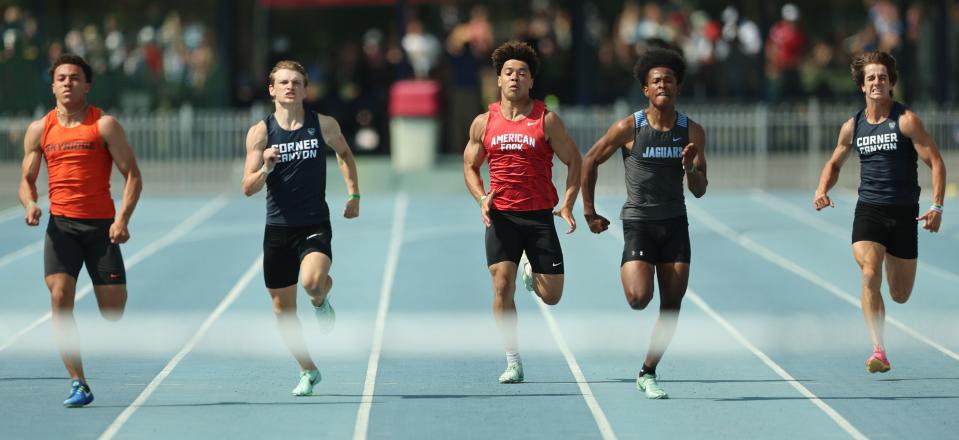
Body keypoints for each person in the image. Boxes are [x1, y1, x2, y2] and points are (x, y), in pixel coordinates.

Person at [581, 48, 708, 399]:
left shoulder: (691, 131)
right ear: (646, 90)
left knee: (672, 305)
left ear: (678, 88)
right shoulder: (629, 127)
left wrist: (691, 166)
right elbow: (589, 160)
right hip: (639, 223)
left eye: (669, 80)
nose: (663, 85)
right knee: (639, 298)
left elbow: (699, 190)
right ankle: (634, 268)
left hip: (675, 225)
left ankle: (648, 371)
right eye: (656, 81)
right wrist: (589, 210)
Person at [19, 53, 143, 407]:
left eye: (75, 77)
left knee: (113, 309)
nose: (68, 83)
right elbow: (26, 180)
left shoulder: (104, 125)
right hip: (61, 227)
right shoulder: (39, 129)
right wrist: (30, 204)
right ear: (53, 84)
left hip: (101, 228)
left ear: (87, 85)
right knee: (59, 298)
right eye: (61, 78)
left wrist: (122, 220)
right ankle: (79, 383)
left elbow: (132, 174)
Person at [814, 51, 945, 374]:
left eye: (882, 77)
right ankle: (879, 350)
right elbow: (834, 163)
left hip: (903, 213)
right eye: (871, 77)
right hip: (869, 210)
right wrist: (821, 189)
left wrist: (937, 205)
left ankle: (888, 255)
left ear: (891, 84)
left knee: (900, 295)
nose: (876, 82)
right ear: (862, 85)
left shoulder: (906, 121)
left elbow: (937, 162)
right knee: (869, 272)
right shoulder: (852, 126)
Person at [463, 41, 582, 384]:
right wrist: (482, 197)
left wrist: (569, 203)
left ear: (531, 82)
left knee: (552, 296)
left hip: (539, 215)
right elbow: (470, 167)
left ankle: (531, 266)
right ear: (499, 80)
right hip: (501, 216)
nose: (515, 78)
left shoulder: (546, 120)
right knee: (502, 286)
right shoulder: (484, 122)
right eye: (509, 73)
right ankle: (512, 360)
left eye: (522, 73)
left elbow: (575, 160)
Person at [241, 60, 360, 396]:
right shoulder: (260, 133)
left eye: (296, 82)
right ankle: (308, 369)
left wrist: (354, 194)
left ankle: (321, 298)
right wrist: (265, 168)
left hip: (313, 224)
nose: (290, 87)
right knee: (283, 310)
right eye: (283, 82)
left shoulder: (322, 124)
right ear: (272, 89)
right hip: (277, 229)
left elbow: (345, 154)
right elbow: (247, 187)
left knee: (311, 282)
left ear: (306, 89)